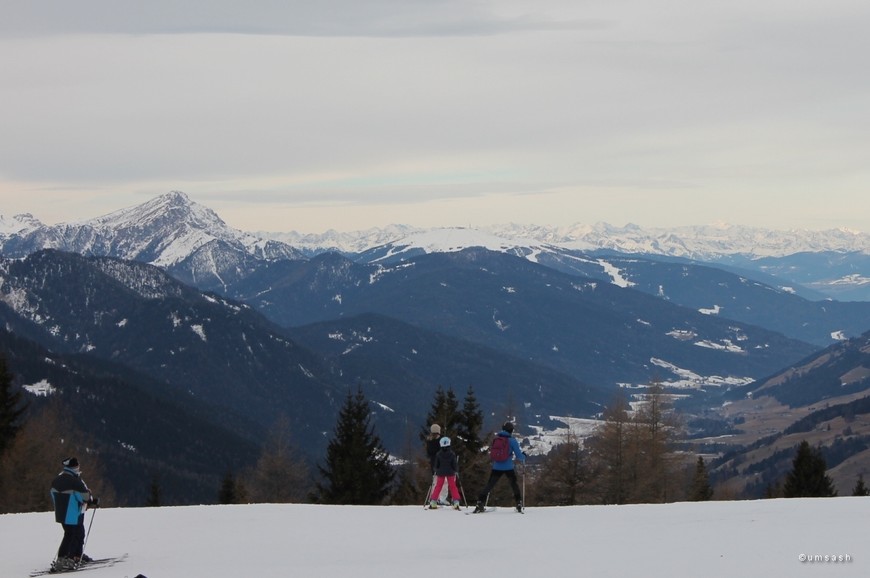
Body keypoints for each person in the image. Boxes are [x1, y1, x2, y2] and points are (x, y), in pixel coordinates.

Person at [50, 457, 99, 571]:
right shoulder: (75, 481)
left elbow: (53, 494)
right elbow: (85, 497)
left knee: (69, 534)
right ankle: (69, 558)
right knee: (73, 535)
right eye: (77, 466)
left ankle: (66, 558)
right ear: (75, 467)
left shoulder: (57, 479)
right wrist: (92, 500)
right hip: (72, 513)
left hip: (61, 513)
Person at [474, 422, 525, 513]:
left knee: (489, 485)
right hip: (508, 467)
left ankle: (480, 502)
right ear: (511, 430)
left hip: (496, 466)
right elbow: (519, 456)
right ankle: (518, 503)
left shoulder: (496, 439)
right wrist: (524, 456)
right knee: (514, 485)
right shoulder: (512, 440)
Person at [429, 437, 461, 509]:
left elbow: (436, 465)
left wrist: (436, 470)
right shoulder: (452, 454)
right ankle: (456, 502)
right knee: (453, 486)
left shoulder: (438, 454)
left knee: (438, 486)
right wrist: (456, 470)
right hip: (451, 473)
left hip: (440, 473)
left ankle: (434, 501)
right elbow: (454, 464)